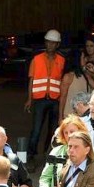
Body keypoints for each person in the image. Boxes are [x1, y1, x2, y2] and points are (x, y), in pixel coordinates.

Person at [25, 29, 66, 160]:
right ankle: (31, 156)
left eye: (53, 43)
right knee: (36, 130)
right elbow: (31, 80)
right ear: (45, 43)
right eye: (48, 42)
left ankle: (46, 155)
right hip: (39, 99)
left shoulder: (62, 60)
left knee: (53, 130)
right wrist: (29, 99)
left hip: (55, 100)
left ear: (57, 45)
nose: (50, 45)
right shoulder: (36, 60)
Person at [59, 45, 94, 120]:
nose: (86, 60)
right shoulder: (68, 76)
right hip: (70, 116)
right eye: (83, 58)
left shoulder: (85, 75)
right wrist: (60, 117)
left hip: (84, 117)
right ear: (77, 60)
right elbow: (62, 98)